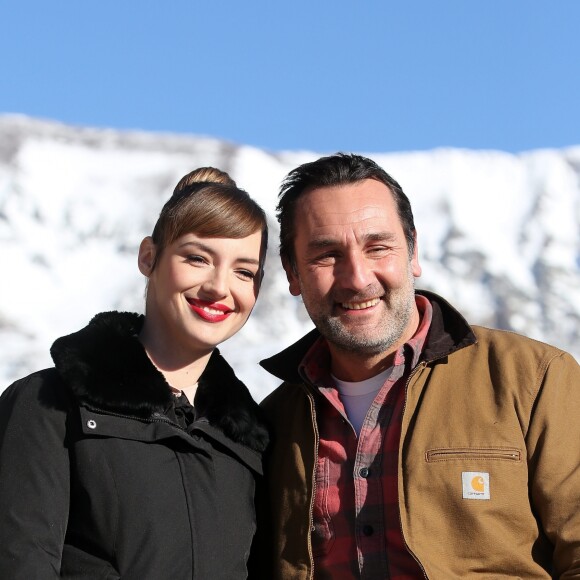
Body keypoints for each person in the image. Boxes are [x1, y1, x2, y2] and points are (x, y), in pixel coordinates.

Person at [257, 153, 580, 579]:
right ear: (292, 273)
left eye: (378, 247)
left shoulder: (536, 380)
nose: (357, 278)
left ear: (412, 252)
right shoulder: (269, 424)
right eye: (327, 254)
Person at [0, 167, 269, 579]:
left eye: (243, 271)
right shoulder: (49, 405)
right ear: (149, 256)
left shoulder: (252, 441)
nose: (220, 287)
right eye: (197, 258)